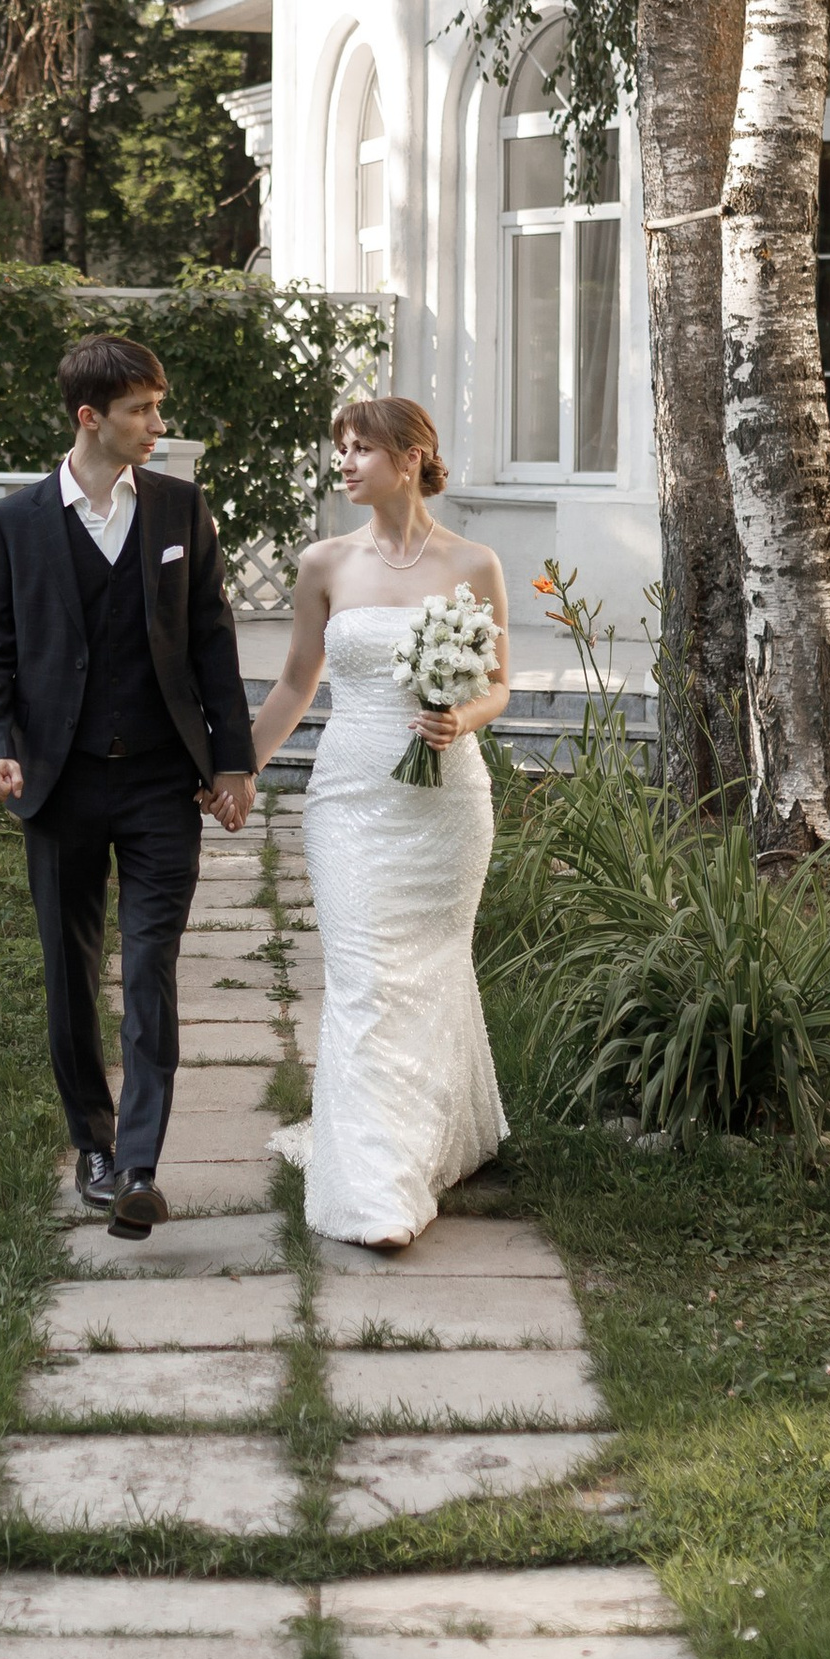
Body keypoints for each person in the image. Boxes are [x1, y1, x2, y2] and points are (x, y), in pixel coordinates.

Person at [0, 335, 257, 1240]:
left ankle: (138, 1164)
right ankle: (90, 1144)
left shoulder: (180, 508)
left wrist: (233, 763)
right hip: (55, 784)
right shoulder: (15, 524)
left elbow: (212, 639)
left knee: (152, 970)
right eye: (143, 411)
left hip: (162, 784)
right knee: (69, 974)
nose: (158, 426)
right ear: (91, 417)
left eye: (158, 408)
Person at [249, 396, 510, 1250]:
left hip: (445, 803)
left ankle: (425, 1140)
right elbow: (294, 687)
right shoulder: (324, 562)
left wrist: (460, 719)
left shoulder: (475, 564)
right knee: (365, 979)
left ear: (411, 456)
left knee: (430, 970)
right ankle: (375, 1192)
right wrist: (233, 769)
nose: (346, 462)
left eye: (362, 448)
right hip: (351, 801)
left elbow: (499, 683)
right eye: (342, 449)